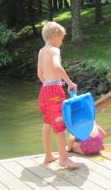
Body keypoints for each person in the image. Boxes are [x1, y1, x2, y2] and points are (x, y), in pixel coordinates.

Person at [38, 21, 80, 169]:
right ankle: (63, 158)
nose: (61, 42)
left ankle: (48, 155)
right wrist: (69, 82)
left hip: (44, 90)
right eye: (61, 38)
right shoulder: (54, 50)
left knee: (47, 122)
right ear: (55, 36)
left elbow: (39, 73)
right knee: (59, 124)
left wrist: (47, 85)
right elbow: (57, 66)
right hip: (54, 91)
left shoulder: (41, 51)